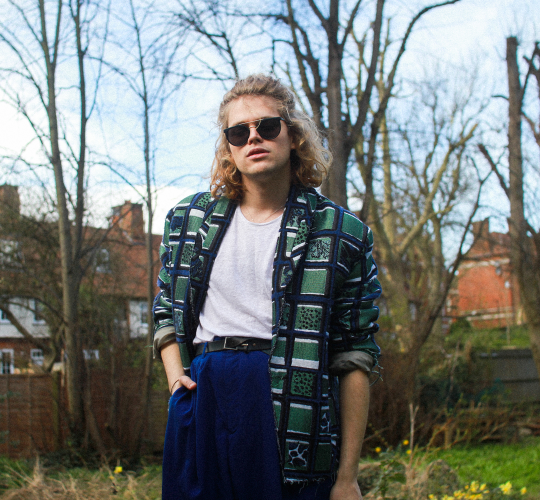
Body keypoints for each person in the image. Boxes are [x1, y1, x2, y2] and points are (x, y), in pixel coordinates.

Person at [153, 74, 381, 500]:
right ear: (229, 148)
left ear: (293, 136)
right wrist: (176, 381)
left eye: (267, 126)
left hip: (292, 405)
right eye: (238, 132)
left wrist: (347, 477)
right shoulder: (189, 221)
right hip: (203, 394)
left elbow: (355, 355)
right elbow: (166, 308)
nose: (253, 137)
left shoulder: (341, 233)